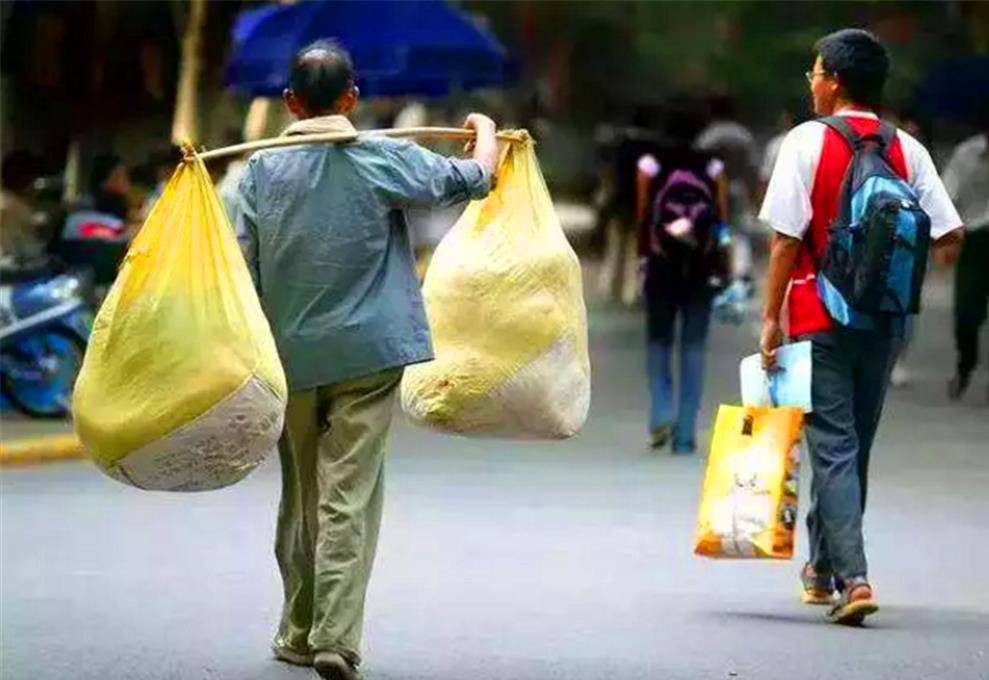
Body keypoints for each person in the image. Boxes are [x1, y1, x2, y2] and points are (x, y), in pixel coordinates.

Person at [234, 40, 497, 680]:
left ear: (290, 103)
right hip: (369, 357)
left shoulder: (258, 174)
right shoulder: (383, 158)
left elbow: (240, 265)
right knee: (347, 494)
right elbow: (474, 179)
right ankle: (335, 638)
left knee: (301, 495)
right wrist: (484, 131)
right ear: (353, 98)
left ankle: (297, 629)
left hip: (290, 356)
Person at [759, 29, 964, 625]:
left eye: (816, 72)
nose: (811, 81)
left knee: (834, 445)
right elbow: (949, 233)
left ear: (836, 82)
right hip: (884, 321)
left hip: (818, 314)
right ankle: (824, 569)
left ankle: (854, 578)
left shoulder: (806, 142)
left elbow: (783, 240)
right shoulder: (909, 149)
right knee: (852, 448)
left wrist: (770, 319)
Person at [636, 104, 731, 453]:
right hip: (701, 268)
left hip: (661, 266)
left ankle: (661, 410)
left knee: (658, 342)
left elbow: (644, 218)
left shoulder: (650, 165)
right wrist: (724, 261)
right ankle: (687, 432)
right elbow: (720, 219)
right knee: (693, 346)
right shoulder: (713, 166)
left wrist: (644, 257)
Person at [942, 123, 989, 401]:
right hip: (974, 240)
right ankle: (966, 363)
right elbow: (948, 194)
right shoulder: (967, 154)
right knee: (966, 312)